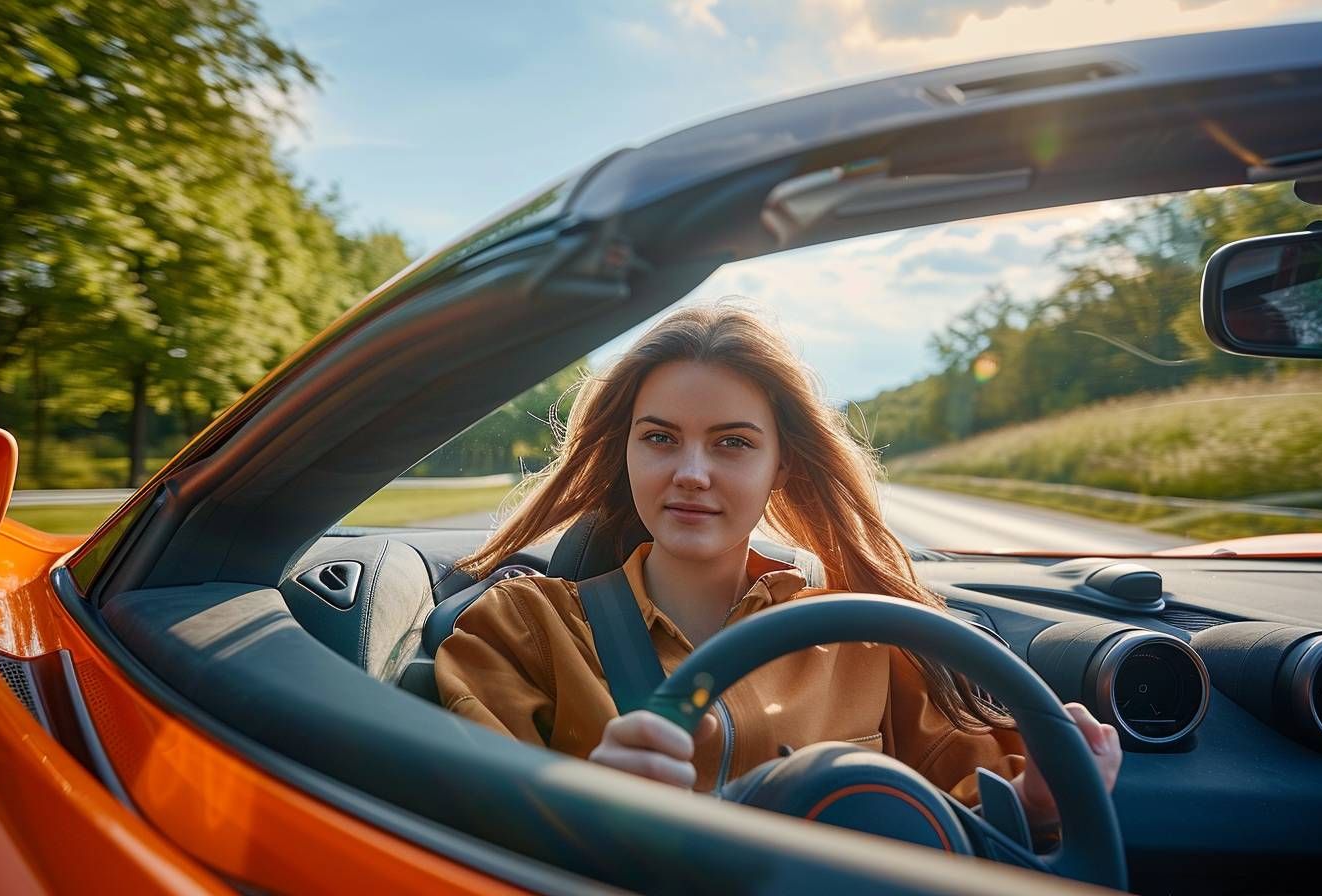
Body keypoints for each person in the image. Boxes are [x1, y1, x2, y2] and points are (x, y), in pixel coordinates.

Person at [434, 303, 1120, 831]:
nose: (692, 473)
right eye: (660, 439)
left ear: (781, 465)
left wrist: (1037, 801)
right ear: (627, 452)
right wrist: (586, 807)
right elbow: (460, 835)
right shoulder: (520, 628)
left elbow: (961, 829)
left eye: (732, 443)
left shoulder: (866, 636)